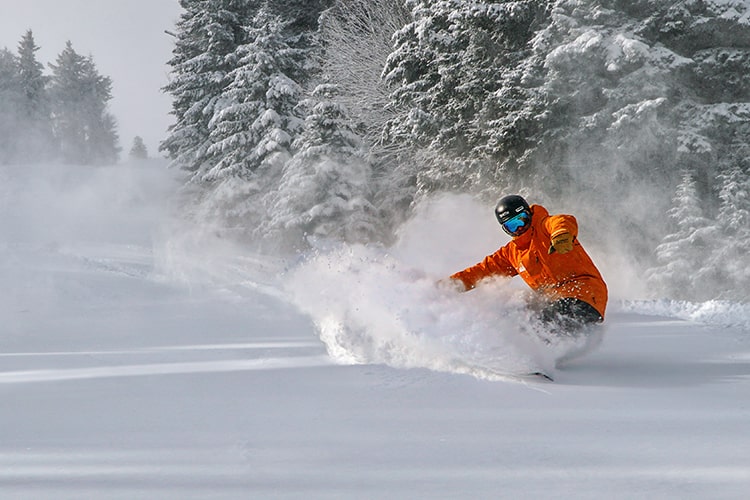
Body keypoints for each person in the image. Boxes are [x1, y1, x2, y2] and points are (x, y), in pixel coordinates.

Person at [446, 195, 607, 333]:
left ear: (529, 214)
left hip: (584, 293)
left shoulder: (544, 227)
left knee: (542, 323)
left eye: (522, 219)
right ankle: (537, 361)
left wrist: (561, 235)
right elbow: (481, 271)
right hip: (554, 302)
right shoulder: (511, 253)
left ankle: (538, 358)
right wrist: (447, 287)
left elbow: (562, 221)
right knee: (518, 319)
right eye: (512, 226)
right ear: (506, 229)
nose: (520, 228)